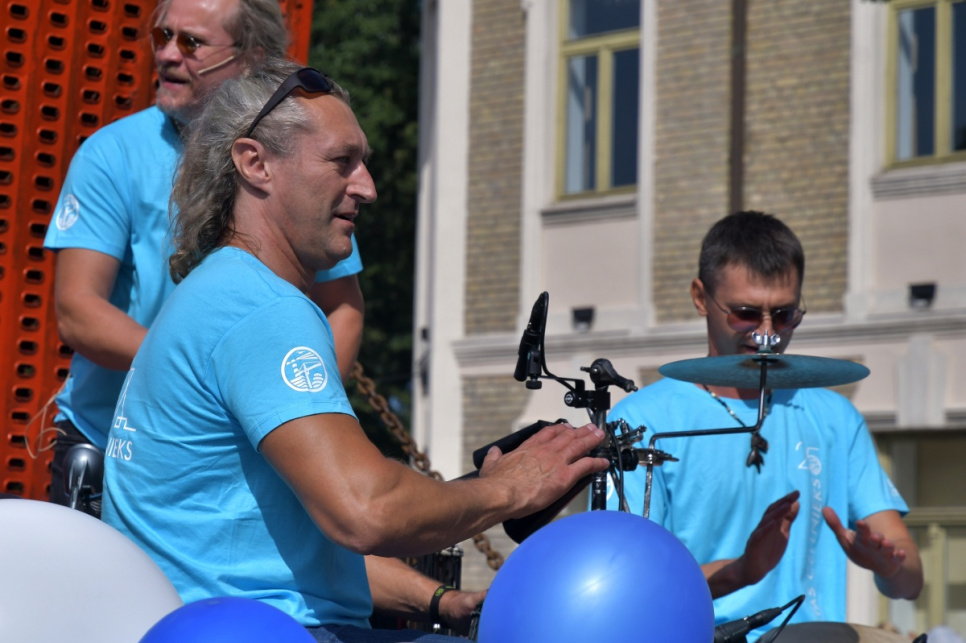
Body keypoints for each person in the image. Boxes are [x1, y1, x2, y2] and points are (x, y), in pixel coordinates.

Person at [100, 58, 609, 642]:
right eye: (341, 161)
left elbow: (293, 550)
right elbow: (366, 510)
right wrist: (510, 488)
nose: (367, 187)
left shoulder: (219, 290)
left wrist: (442, 600)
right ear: (255, 164)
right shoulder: (263, 309)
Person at [43, 0, 364, 513]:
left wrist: (307, 416)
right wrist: (199, 377)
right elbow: (77, 311)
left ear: (252, 57)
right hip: (113, 449)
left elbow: (343, 307)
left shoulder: (293, 163)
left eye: (191, 42)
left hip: (241, 458)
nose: (168, 55)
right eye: (162, 36)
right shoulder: (111, 153)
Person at [607, 211, 923, 641]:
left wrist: (889, 565)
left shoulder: (837, 416)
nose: (767, 334)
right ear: (700, 297)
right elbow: (630, 591)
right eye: (746, 313)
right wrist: (741, 572)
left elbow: (910, 580)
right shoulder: (640, 421)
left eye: (785, 314)